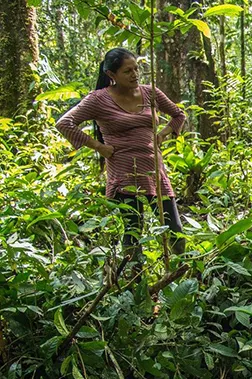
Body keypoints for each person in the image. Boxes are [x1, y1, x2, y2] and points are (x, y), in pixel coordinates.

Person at [56, 47, 187, 265]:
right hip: (125, 174)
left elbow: (178, 114)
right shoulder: (98, 99)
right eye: (128, 71)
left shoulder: (150, 93)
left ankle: (180, 273)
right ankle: (137, 284)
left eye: (136, 69)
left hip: (155, 171)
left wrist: (163, 134)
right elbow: (65, 123)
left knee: (174, 228)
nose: (135, 74)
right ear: (111, 75)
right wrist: (99, 147)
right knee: (133, 232)